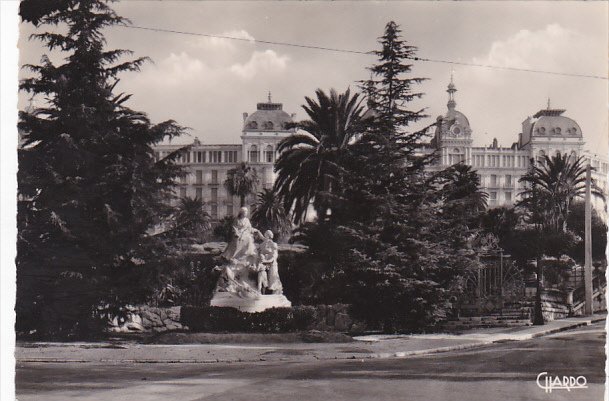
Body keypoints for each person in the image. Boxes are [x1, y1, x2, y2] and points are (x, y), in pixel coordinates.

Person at [258, 230, 283, 294]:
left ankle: (276, 292)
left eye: (267, 235)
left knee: (273, 278)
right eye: (265, 235)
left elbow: (274, 257)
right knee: (264, 279)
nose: (265, 236)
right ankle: (261, 292)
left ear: (269, 236)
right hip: (265, 264)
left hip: (272, 264)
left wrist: (266, 261)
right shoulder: (263, 244)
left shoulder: (273, 244)